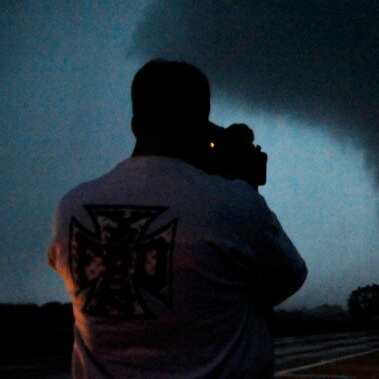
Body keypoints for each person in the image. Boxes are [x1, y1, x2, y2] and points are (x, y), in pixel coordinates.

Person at [48, 59, 307, 378]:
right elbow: (285, 279)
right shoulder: (236, 205)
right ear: (203, 122)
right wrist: (244, 187)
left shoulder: (71, 208)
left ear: (135, 122)